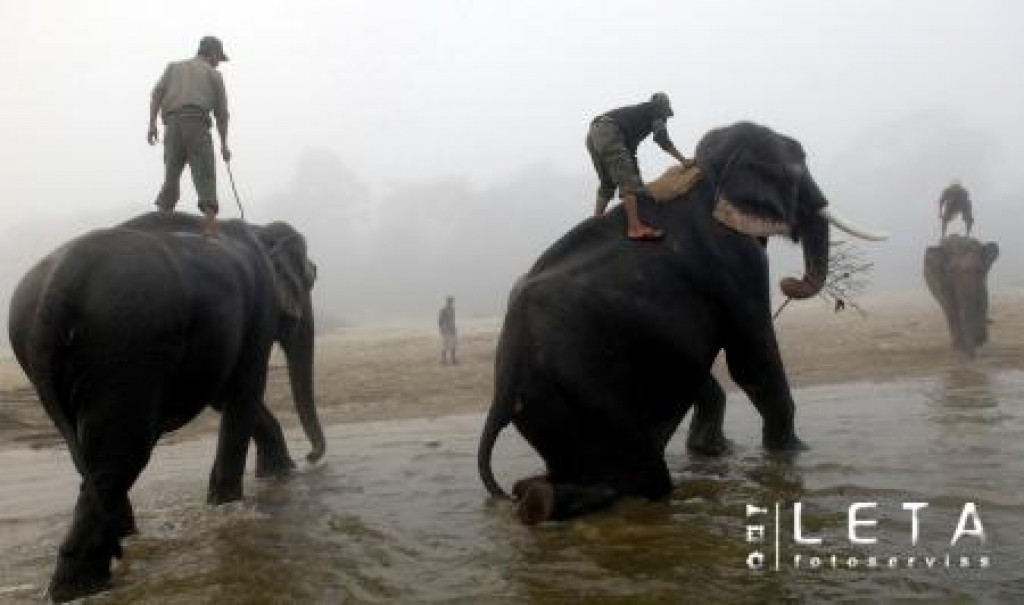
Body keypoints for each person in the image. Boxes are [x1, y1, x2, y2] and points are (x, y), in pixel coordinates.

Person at [148, 36, 232, 237]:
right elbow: (222, 113)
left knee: (171, 174)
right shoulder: (214, 75)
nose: (218, 61)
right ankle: (210, 227)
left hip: (172, 126)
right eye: (218, 57)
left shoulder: (173, 67)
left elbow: (157, 94)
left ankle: (163, 217)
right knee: (204, 172)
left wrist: (151, 124)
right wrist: (224, 145)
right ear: (212, 53)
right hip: (196, 124)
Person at [586, 92, 690, 241]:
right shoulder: (656, 107)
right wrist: (683, 160)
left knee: (608, 182)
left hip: (594, 133)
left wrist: (638, 182)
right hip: (609, 130)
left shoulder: (636, 118)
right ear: (664, 106)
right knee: (628, 181)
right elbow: (661, 138)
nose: (665, 119)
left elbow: (630, 156)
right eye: (666, 115)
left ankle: (596, 221)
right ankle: (635, 228)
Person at [438, 296, 458, 365]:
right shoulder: (443, 310)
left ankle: (453, 360)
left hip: (452, 330)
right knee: (445, 346)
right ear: (447, 302)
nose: (451, 303)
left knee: (454, 345)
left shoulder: (452, 309)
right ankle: (443, 360)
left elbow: (452, 320)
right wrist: (442, 329)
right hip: (446, 331)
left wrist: (454, 328)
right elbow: (440, 321)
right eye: (450, 301)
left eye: (452, 301)